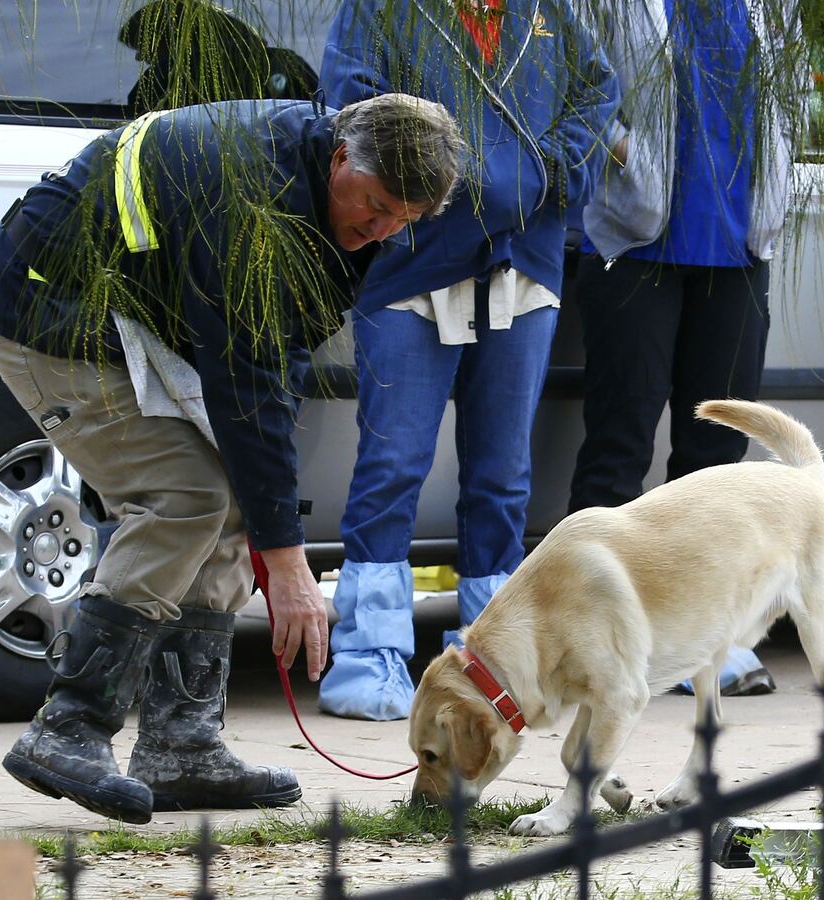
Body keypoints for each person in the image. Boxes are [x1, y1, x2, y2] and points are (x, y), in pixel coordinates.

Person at [0, 93, 463, 823]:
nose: (385, 228)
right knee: (185, 497)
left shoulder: (323, 202)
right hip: (49, 308)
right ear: (339, 159)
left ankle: (182, 746)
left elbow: (277, 368)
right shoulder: (254, 200)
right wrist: (289, 562)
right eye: (378, 203)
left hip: (136, 313)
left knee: (236, 490)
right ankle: (69, 727)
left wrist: (273, 522)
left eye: (407, 219)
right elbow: (247, 378)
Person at [317, 0, 618, 720]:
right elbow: (353, 105)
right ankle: (369, 653)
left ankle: (493, 662)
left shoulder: (550, 12)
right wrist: (469, 178)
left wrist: (542, 174)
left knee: (503, 476)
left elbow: (599, 92)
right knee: (392, 464)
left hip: (524, 260)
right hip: (412, 257)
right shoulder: (380, 9)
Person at [569, 0, 799, 696]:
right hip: (637, 243)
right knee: (619, 448)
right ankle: (594, 635)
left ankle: (700, 644)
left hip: (738, 247)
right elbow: (564, 76)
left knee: (717, 467)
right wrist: (620, 148)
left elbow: (794, 92)